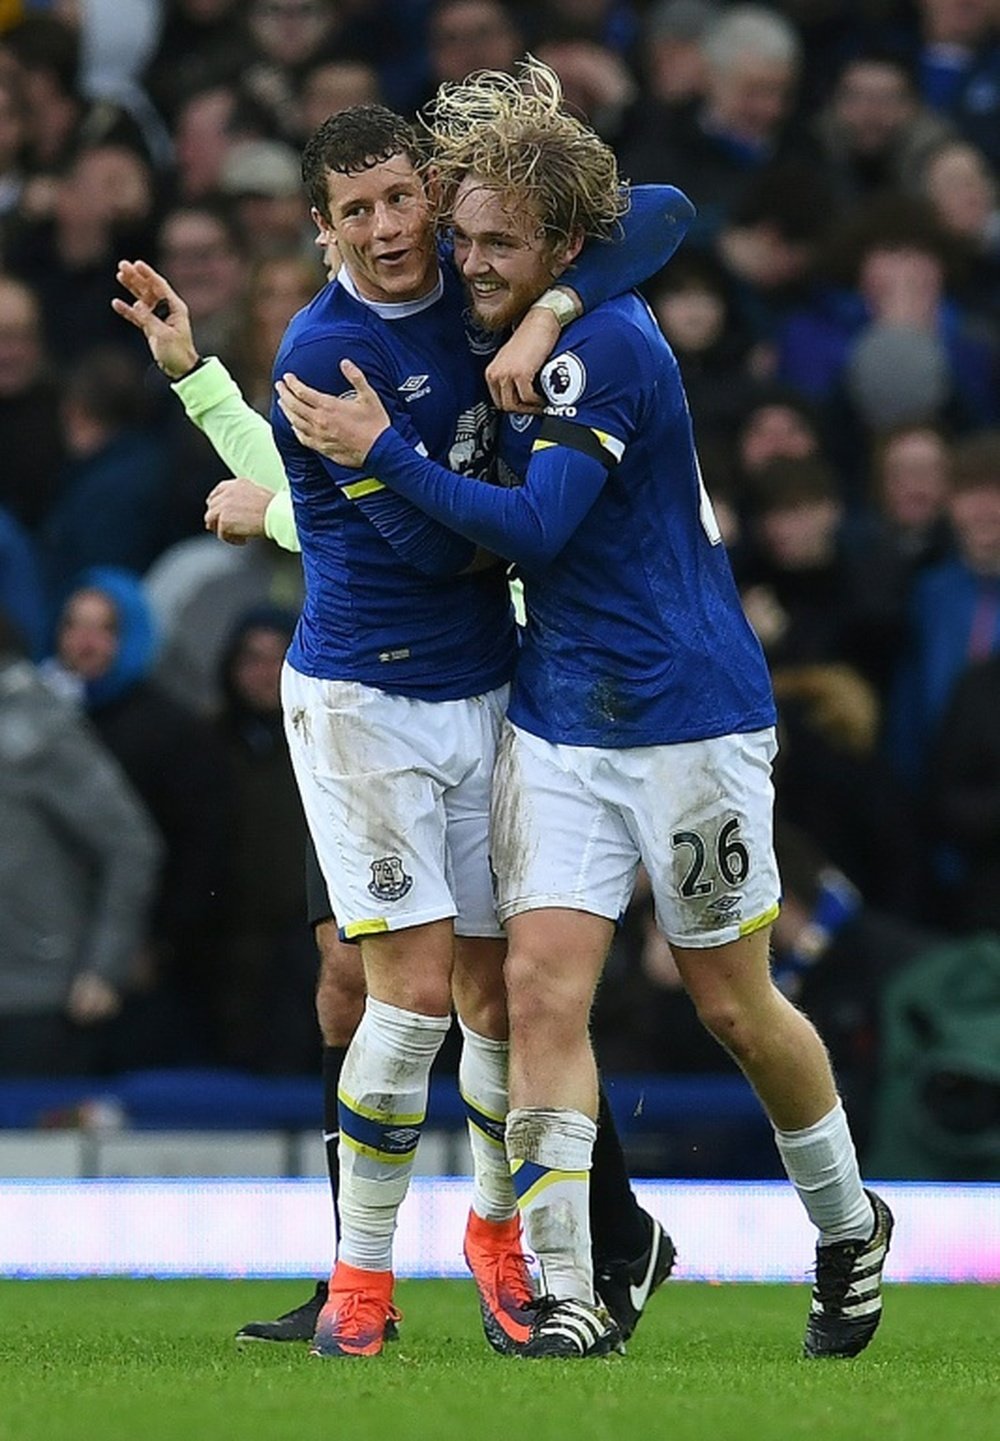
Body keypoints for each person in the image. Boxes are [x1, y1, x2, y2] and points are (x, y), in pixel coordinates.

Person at [278, 58, 895, 1361]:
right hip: (552, 715)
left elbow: (533, 530)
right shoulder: (406, 323)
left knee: (735, 1006)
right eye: (461, 233)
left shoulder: (598, 340)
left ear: (563, 246)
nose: (455, 254)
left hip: (690, 712)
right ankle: (566, 1288)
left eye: (488, 238)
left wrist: (388, 445)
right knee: (538, 998)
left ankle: (846, 1228)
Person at [112, 117, 689, 1355]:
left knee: (495, 994)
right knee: (400, 993)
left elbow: (666, 213)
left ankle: (504, 1247)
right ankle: (360, 1283)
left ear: (427, 197)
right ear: (322, 229)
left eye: (397, 201)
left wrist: (548, 314)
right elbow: (425, 548)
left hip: (492, 686)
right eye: (354, 211)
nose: (384, 229)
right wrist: (331, 465)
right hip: (365, 699)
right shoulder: (323, 350)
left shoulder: (483, 297)